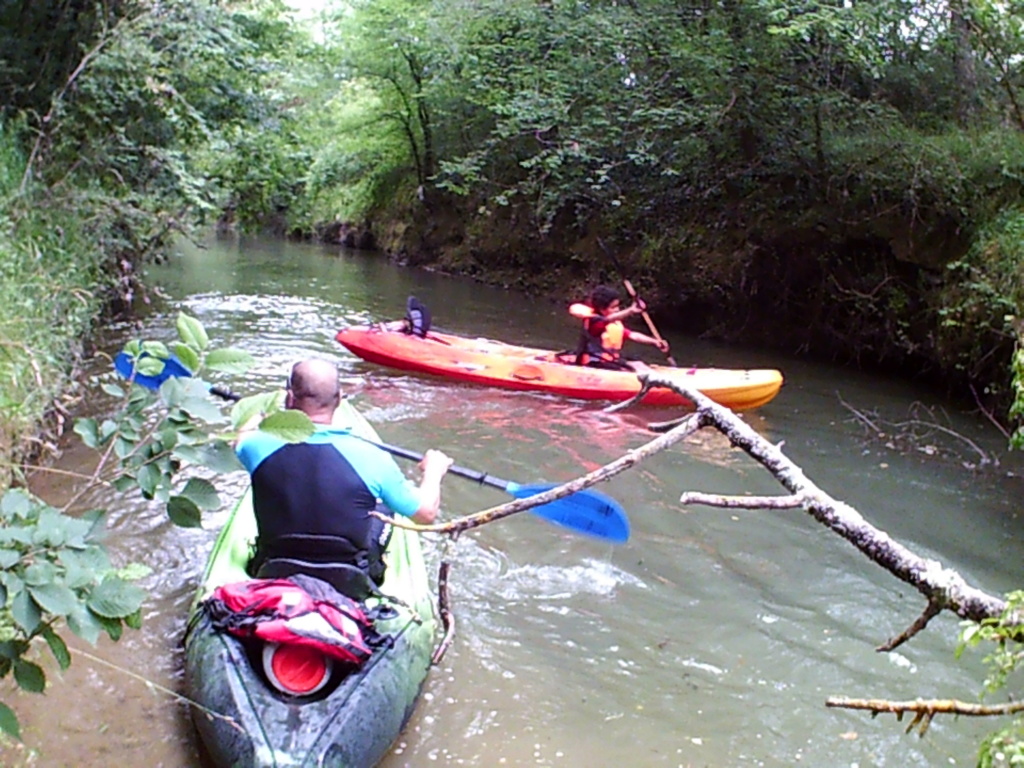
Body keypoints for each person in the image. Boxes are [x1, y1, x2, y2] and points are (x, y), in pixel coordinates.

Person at [235, 358, 453, 585]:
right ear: (338, 400)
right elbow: (425, 514)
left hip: (273, 567)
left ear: (289, 398)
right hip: (347, 577)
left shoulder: (257, 445)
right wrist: (434, 471)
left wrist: (262, 416)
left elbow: (240, 438)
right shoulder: (373, 457)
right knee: (384, 508)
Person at [569, 284, 670, 371]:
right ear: (601, 309)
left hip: (609, 360)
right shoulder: (595, 322)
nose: (617, 309)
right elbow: (607, 320)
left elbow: (633, 335)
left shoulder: (614, 323)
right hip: (593, 362)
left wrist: (655, 342)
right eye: (613, 307)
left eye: (617, 306)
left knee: (636, 361)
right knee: (629, 368)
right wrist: (631, 310)